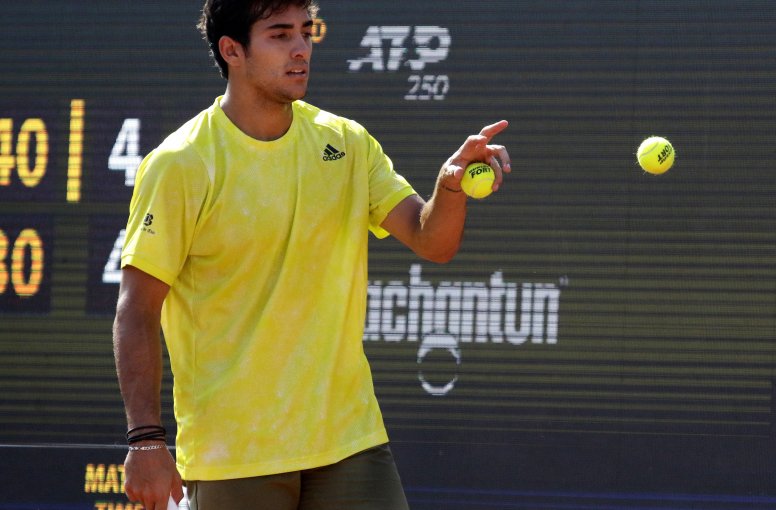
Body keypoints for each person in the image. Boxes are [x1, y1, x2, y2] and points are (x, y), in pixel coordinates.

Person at [112, 0, 511, 509]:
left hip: (350, 442)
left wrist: (449, 188)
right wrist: (146, 439)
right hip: (234, 454)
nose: (301, 49)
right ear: (232, 50)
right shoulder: (180, 164)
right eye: (280, 35)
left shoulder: (346, 143)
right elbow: (137, 309)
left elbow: (431, 240)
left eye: (306, 32)